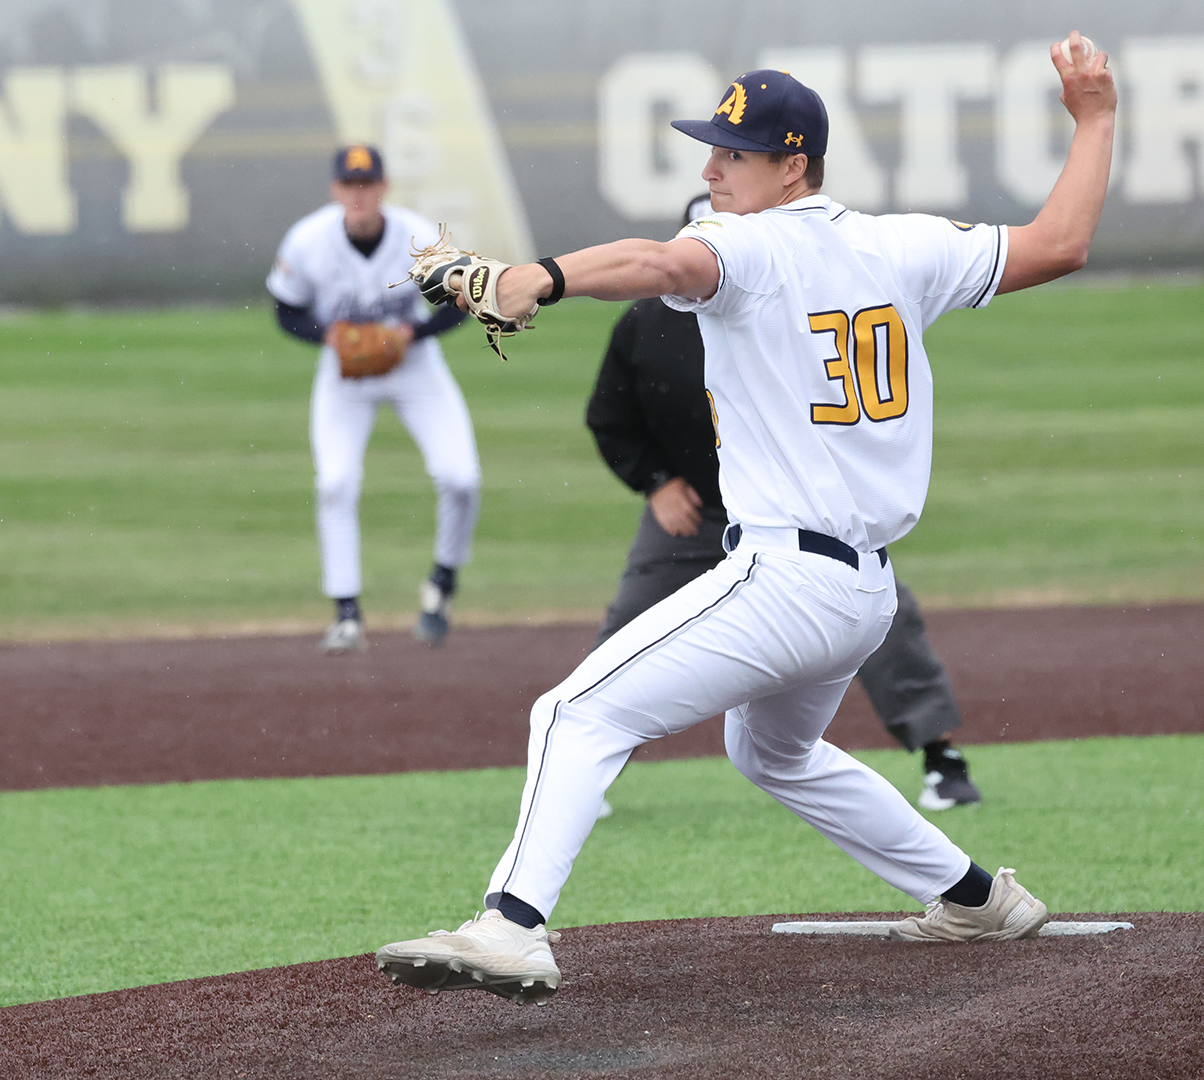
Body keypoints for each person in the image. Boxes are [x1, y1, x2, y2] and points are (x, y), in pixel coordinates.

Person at [375, 32, 1116, 1003]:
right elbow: (1061, 244)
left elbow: (654, 260)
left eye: (732, 153)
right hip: (865, 592)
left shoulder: (749, 244)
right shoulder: (906, 243)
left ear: (791, 164)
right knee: (771, 750)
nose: (710, 167)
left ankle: (511, 926)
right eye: (712, 148)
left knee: (575, 713)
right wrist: (1097, 119)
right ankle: (978, 897)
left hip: (788, 577)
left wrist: (532, 278)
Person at [588, 195, 981, 812]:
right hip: (694, 509)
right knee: (631, 624)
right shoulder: (648, 320)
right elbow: (610, 416)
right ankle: (590, 764)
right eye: (698, 235)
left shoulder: (792, 301)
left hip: (794, 513)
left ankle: (940, 750)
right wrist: (656, 481)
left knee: (885, 619)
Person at [267, 145, 477, 653]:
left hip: (415, 370)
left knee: (461, 478)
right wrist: (327, 335)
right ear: (336, 190)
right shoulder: (307, 241)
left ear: (382, 187)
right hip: (344, 376)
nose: (359, 193)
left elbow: (462, 302)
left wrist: (414, 333)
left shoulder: (420, 238)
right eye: (349, 184)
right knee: (335, 483)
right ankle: (346, 614)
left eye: (367, 184)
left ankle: (442, 584)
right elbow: (285, 311)